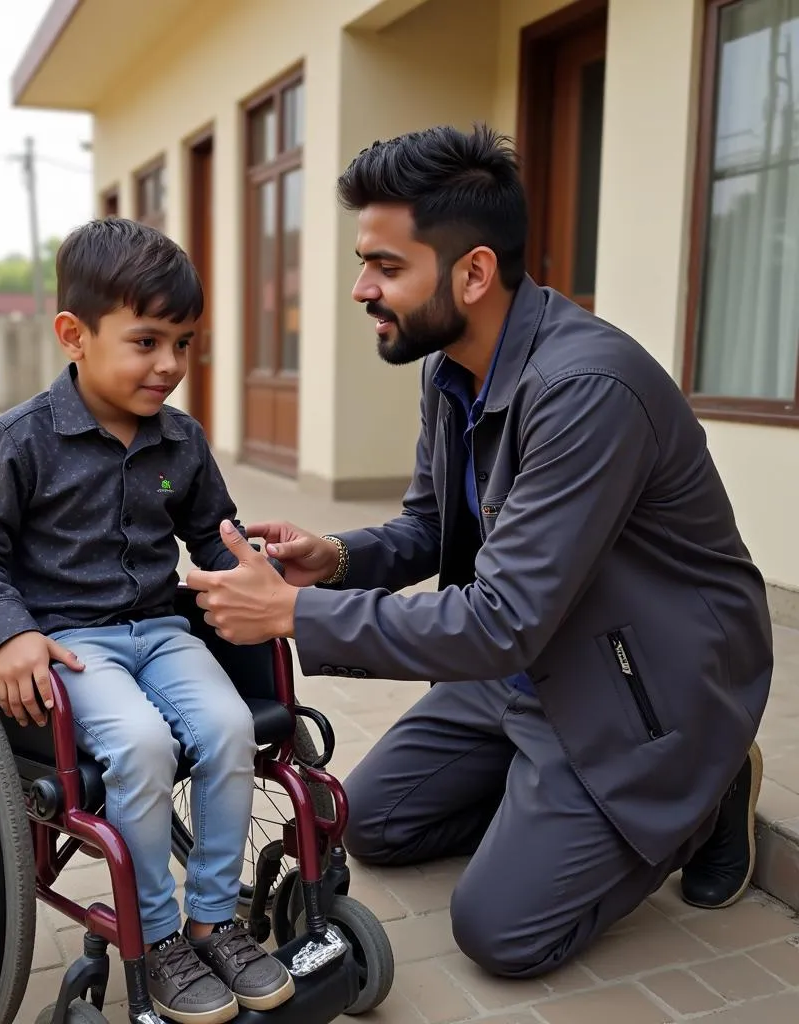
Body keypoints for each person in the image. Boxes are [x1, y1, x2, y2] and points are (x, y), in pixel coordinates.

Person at [185, 124, 774, 978]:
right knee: (373, 823)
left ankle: (703, 790)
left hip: (644, 685)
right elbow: (430, 528)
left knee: (501, 933)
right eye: (365, 263)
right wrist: (334, 559)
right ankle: (553, 808)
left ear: (473, 272)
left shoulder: (585, 391)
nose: (360, 289)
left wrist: (292, 613)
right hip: (527, 666)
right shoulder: (453, 367)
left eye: (386, 267)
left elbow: (498, 619)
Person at [0, 218, 295, 1024]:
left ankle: (212, 919)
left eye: (183, 342)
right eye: (145, 341)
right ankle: (159, 938)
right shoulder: (22, 440)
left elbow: (210, 530)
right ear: (75, 335)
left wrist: (249, 572)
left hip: (162, 633)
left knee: (232, 727)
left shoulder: (180, 441)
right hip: (66, 646)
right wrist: (11, 632)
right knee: (141, 744)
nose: (168, 364)